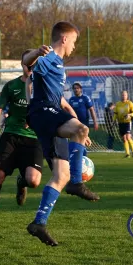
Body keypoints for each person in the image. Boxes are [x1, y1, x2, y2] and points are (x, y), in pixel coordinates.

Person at [24, 21, 99, 247]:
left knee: (60, 176)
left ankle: (39, 223)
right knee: (81, 129)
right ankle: (77, 183)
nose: (74, 46)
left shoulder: (58, 64)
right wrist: (36, 53)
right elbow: (27, 62)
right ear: (64, 39)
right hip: (43, 112)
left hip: (49, 114)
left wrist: (76, 132)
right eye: (74, 41)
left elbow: (57, 98)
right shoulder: (49, 57)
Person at [0, 51, 44, 230]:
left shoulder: (44, 87)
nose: (31, 68)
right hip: (11, 137)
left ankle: (22, 181)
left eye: (35, 65)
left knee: (34, 181)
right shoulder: (12, 86)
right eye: (28, 64)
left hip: (33, 140)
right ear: (22, 64)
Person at [114, 90, 133, 158]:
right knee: (124, 138)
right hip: (120, 123)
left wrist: (129, 115)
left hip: (127, 122)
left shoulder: (130, 103)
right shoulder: (118, 104)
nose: (123, 96)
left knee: (128, 137)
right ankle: (127, 154)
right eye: (122, 95)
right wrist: (114, 120)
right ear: (120, 96)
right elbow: (115, 114)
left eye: (125, 95)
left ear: (127, 96)